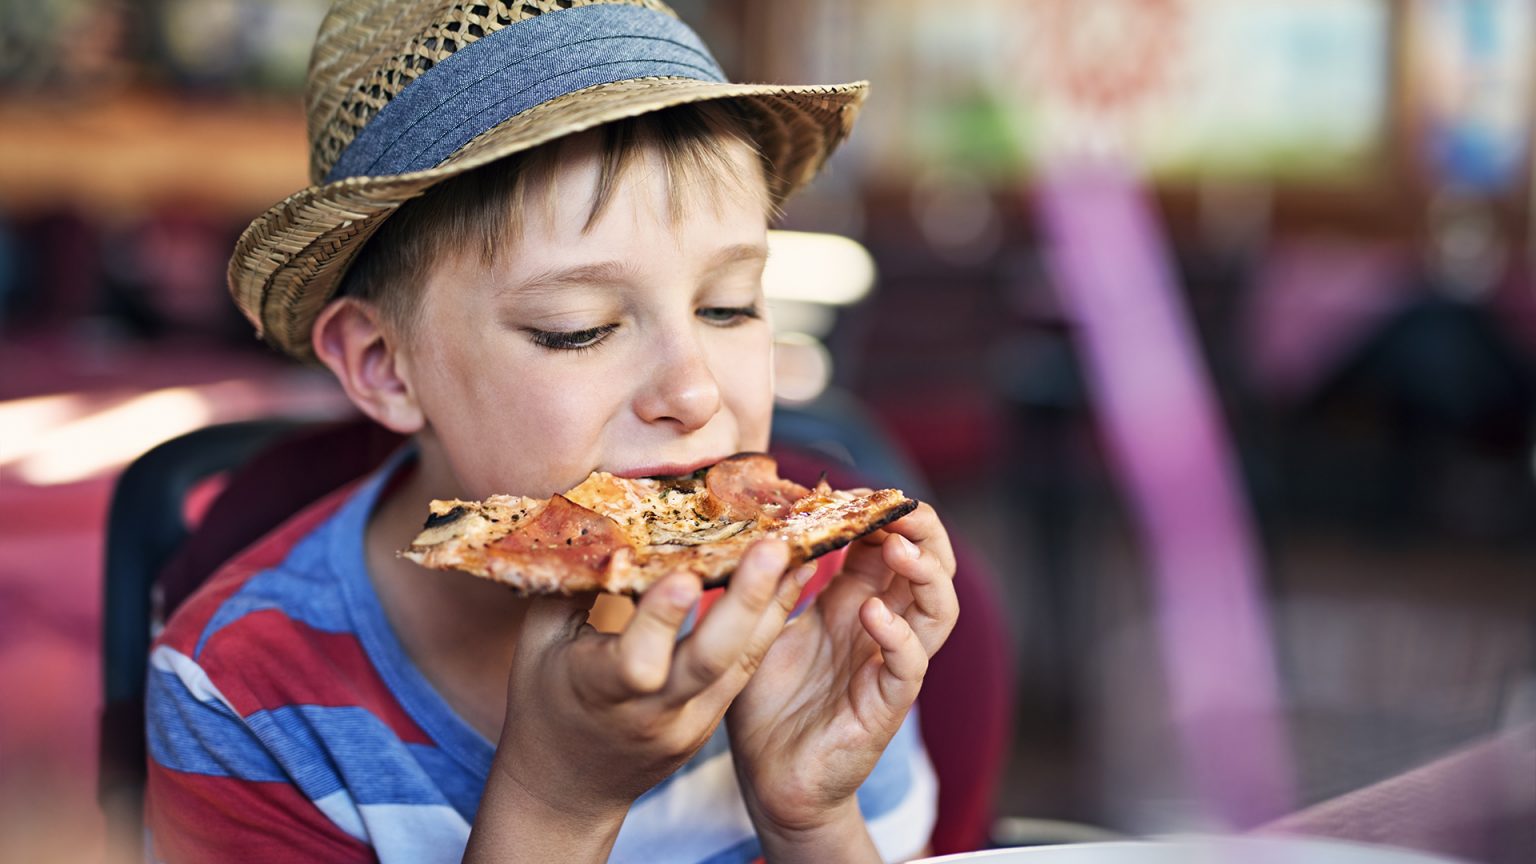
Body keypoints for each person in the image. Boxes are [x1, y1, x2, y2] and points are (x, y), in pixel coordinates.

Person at [144, 2, 960, 861]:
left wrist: (809, 817)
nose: (692, 392)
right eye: (578, 328)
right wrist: (556, 800)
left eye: (728, 307)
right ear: (385, 366)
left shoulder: (813, 601)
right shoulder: (239, 698)